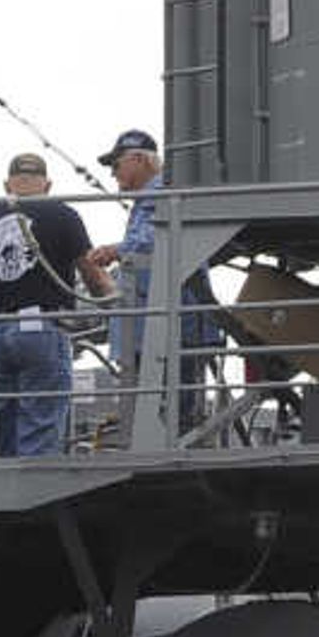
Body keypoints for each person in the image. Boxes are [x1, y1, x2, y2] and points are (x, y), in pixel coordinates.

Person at [0, 151, 113, 458]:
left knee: (9, 429)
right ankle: (34, 502)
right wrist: (124, 309)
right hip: (43, 330)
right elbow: (95, 280)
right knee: (40, 432)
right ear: (48, 185)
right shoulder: (64, 216)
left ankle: (6, 497)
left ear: (7, 185)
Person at [104, 126, 226, 434]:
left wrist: (114, 251)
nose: (113, 174)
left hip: (172, 331)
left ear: (139, 159)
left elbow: (155, 243)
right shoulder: (152, 199)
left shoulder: (162, 196)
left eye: (116, 165)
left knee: (176, 417)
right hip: (161, 331)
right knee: (168, 415)